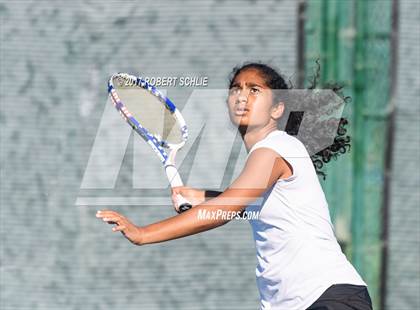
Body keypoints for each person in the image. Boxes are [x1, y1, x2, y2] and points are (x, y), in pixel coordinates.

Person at [96, 62, 373, 310]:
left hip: (329, 297)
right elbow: (250, 204)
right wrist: (202, 196)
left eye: (254, 90)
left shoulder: (277, 148)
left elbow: (226, 207)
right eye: (236, 89)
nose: (242, 96)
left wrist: (143, 233)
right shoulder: (268, 156)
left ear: (277, 108)